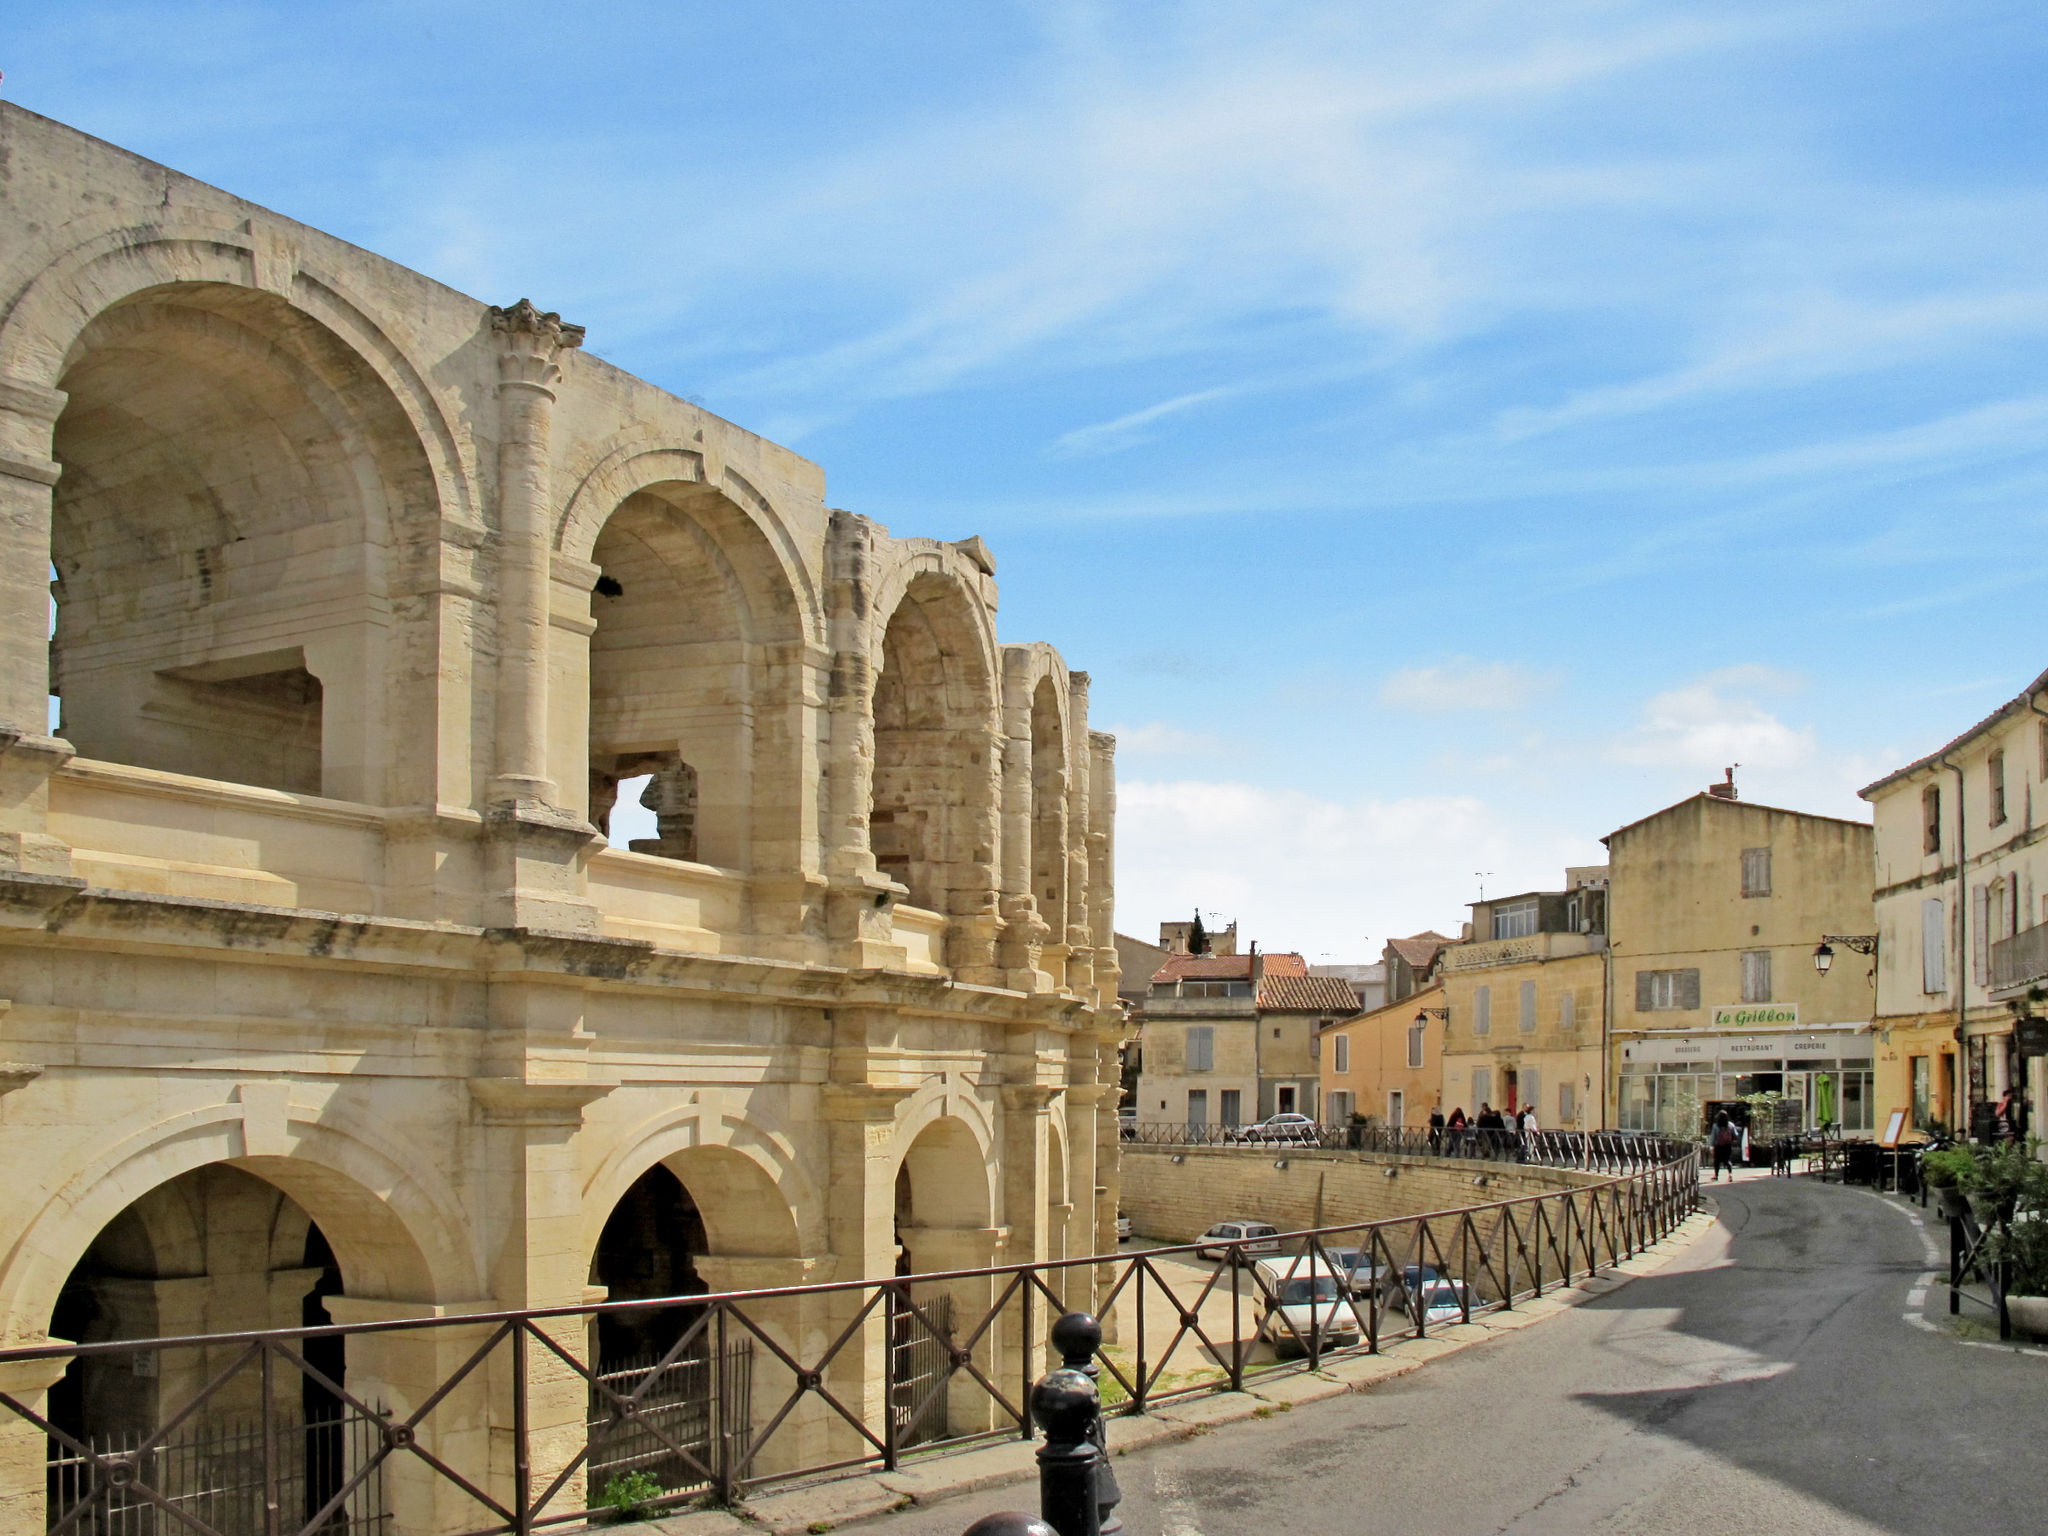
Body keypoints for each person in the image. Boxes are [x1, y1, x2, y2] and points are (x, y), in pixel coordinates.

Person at [1709, 1110, 1737, 1181]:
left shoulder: (1715, 1126)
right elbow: (1735, 1135)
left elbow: (1713, 1137)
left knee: (1717, 1161)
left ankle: (1716, 1175)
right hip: (1728, 1145)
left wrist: (1712, 1146)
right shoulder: (1731, 1125)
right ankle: (1730, 1174)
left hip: (1718, 1146)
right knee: (1727, 1160)